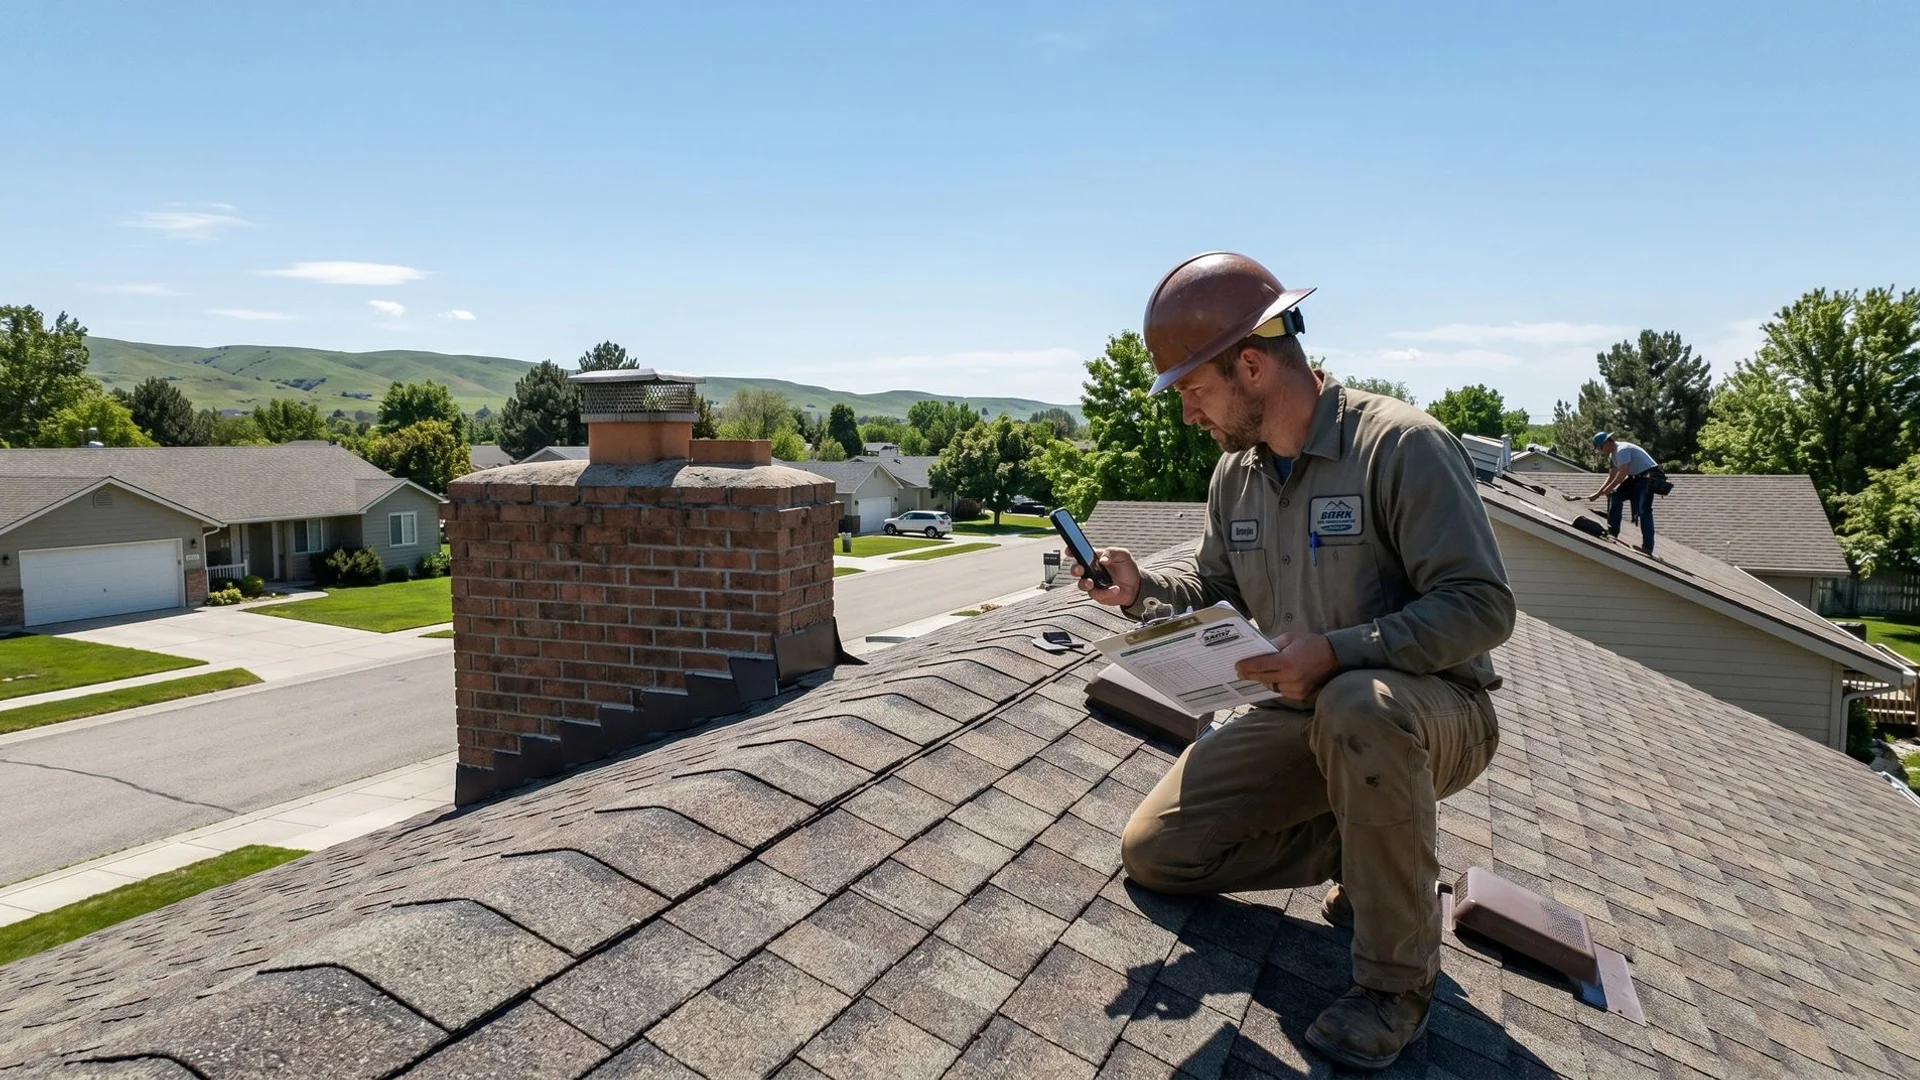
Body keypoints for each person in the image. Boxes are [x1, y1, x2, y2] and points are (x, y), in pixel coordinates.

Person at [1073, 251, 1516, 1071]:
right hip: (1301, 716)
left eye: (1193, 391)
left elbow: (1483, 607)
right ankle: (1371, 851)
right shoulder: (1235, 478)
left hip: (1432, 716)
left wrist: (1338, 653)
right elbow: (1215, 590)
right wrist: (1139, 591)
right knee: (1157, 853)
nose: (1188, 415)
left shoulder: (1401, 447)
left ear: (1250, 365)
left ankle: (1395, 986)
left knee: (1356, 705)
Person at [1582, 431, 1662, 554]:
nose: (1601, 452)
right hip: (1635, 478)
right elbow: (1612, 476)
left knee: (1644, 510)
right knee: (1616, 495)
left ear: (1607, 443)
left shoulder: (1622, 450)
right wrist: (1598, 493)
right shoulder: (1613, 454)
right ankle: (1613, 533)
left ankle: (1648, 547)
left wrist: (1608, 489)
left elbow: (1622, 474)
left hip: (1647, 478)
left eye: (1600, 448)